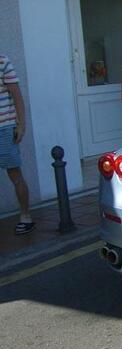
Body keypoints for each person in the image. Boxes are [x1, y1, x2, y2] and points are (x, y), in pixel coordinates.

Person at [0, 53, 34, 235]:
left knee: (15, 174)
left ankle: (26, 216)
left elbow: (17, 96)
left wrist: (21, 125)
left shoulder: (3, 60)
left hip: (4, 128)